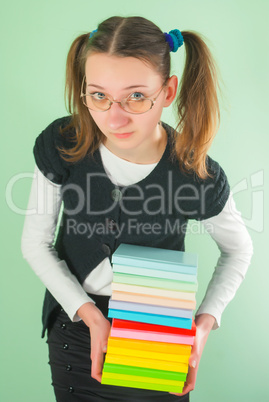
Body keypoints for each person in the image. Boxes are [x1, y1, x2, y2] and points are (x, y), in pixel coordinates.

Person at [21, 15, 253, 402]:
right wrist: (91, 317)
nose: (115, 117)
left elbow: (238, 250)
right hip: (77, 331)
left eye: (136, 97)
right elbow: (35, 243)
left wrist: (202, 325)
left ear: (167, 91)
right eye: (99, 95)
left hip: (158, 335)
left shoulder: (195, 172)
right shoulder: (64, 142)